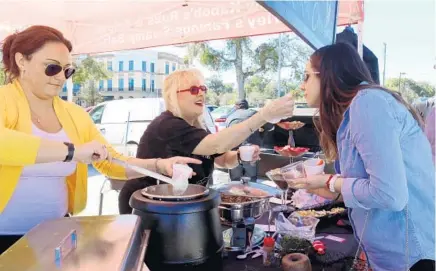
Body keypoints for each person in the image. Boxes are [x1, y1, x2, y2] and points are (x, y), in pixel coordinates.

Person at [0, 25, 201, 254]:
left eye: (67, 71)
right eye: (52, 67)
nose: (59, 78)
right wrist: (72, 151)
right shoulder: (3, 101)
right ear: (21, 61)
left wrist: (158, 165)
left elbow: (109, 161)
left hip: (56, 236)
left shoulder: (74, 114)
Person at [285, 43, 435, 270]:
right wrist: (324, 189)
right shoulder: (359, 108)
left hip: (408, 255)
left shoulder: (368, 103)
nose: (302, 85)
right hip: (390, 253)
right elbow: (368, 187)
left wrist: (331, 182)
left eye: (306, 76)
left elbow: (389, 195)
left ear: (328, 73)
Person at [118, 68, 295, 214]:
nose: (201, 94)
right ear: (173, 96)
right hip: (146, 206)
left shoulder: (198, 126)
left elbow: (222, 159)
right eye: (194, 90)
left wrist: (240, 156)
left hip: (179, 205)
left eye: (203, 89)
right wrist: (263, 115)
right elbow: (216, 144)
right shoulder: (167, 124)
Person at [225, 99, 260, 182]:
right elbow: (268, 127)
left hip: (233, 153)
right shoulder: (254, 114)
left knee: (235, 181)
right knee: (251, 180)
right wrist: (259, 139)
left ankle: (235, 194)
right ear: (247, 106)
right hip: (250, 151)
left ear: (236, 106)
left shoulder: (229, 116)